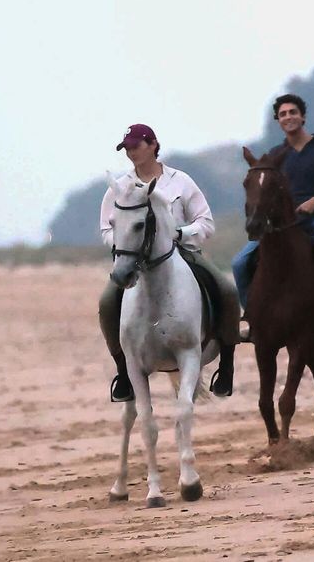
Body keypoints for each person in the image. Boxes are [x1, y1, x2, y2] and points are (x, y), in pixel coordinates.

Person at [99, 123, 239, 401]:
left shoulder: (181, 181)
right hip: (134, 260)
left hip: (182, 252)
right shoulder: (120, 187)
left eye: (136, 146)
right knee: (106, 302)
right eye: (126, 148)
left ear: (153, 145)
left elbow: (205, 222)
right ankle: (123, 373)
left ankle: (226, 365)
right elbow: (106, 228)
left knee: (228, 290)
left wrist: (180, 233)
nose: (131, 152)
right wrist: (124, 247)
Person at [230, 94, 314, 350]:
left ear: (303, 116)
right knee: (239, 262)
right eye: (283, 114)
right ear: (278, 120)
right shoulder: (276, 155)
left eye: (293, 112)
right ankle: (253, 318)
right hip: (281, 226)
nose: (288, 117)